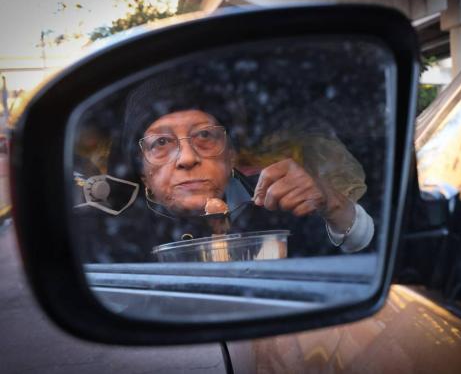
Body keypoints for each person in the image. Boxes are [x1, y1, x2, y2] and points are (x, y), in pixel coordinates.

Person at [77, 72, 374, 262]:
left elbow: (363, 248)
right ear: (141, 168)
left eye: (204, 135)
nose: (186, 158)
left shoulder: (280, 201)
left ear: (231, 154)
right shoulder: (113, 236)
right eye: (161, 143)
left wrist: (332, 202)